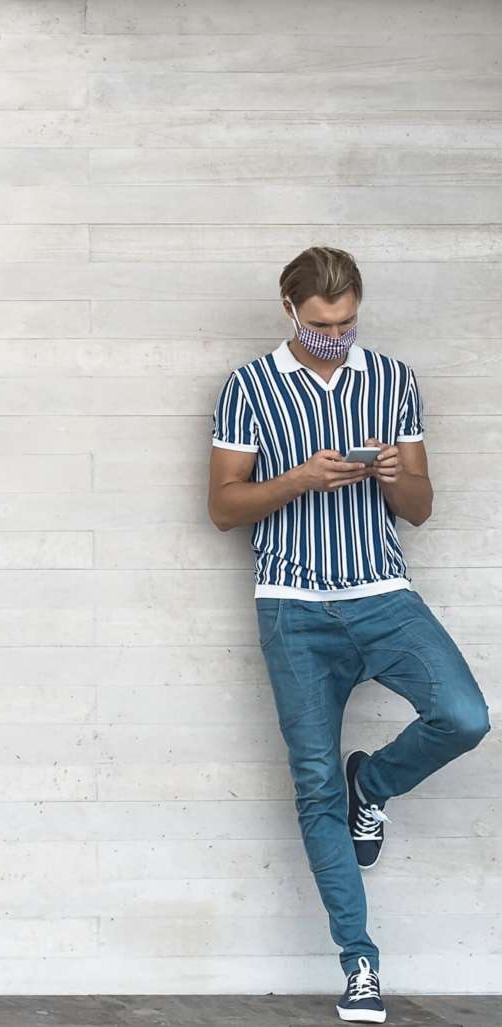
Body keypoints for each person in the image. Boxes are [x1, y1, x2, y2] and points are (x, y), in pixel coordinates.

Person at [206, 247, 487, 1024]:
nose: (338, 334)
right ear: (291, 310)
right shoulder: (249, 387)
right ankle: (360, 965)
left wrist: (396, 472)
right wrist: (299, 477)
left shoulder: (393, 379)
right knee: (315, 787)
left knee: (465, 716)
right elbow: (224, 508)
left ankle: (378, 783)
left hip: (383, 596)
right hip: (293, 608)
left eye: (349, 320)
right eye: (324, 323)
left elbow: (421, 508)